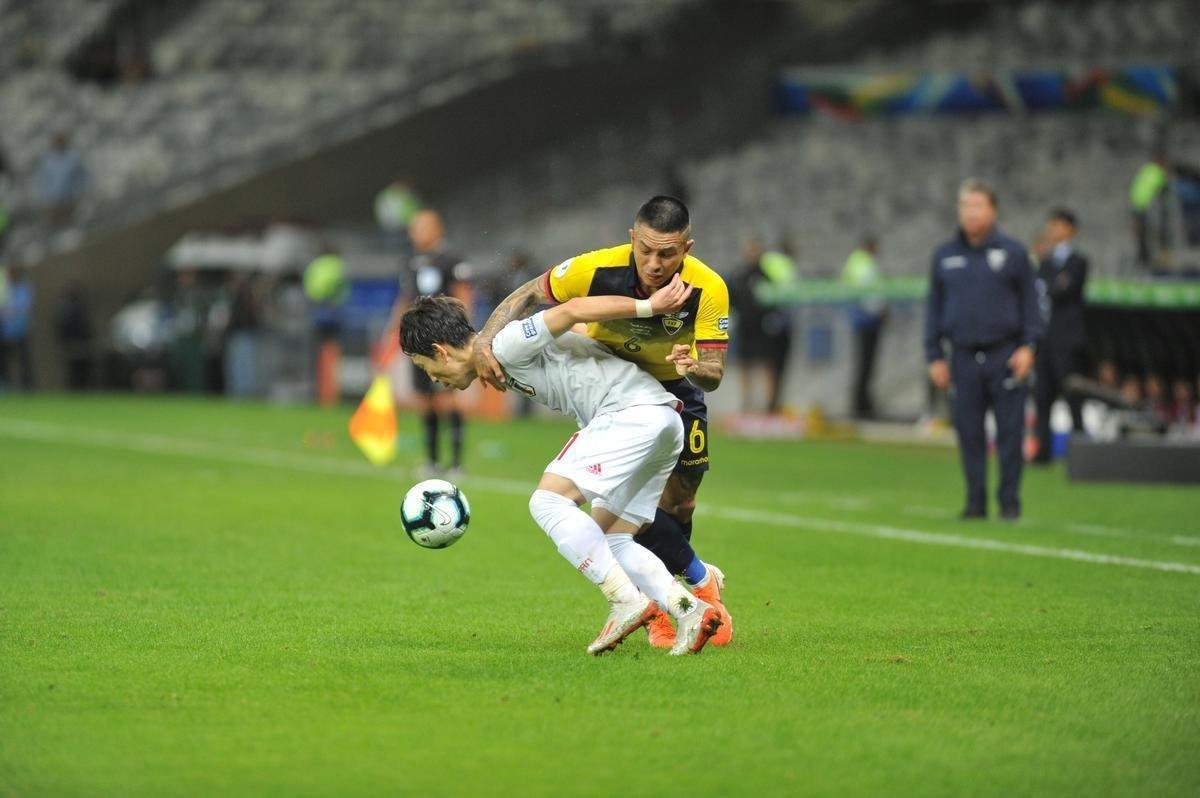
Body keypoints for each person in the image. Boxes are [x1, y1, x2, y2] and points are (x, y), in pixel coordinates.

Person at [399, 281, 723, 656]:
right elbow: (577, 331)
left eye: (426, 368)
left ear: (440, 351)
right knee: (613, 540)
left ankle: (625, 600)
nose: (434, 381)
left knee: (547, 503)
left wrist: (649, 307)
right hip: (663, 421)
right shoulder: (499, 358)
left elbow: (571, 310)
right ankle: (689, 609)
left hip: (629, 414)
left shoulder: (505, 343)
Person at [472, 196, 733, 648]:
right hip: (615, 392)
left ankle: (697, 583)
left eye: (668, 254)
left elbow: (714, 373)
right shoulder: (593, 269)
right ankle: (673, 607)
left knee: (680, 502)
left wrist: (693, 365)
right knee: (623, 517)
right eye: (646, 250)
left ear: (686, 248)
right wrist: (484, 341)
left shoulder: (709, 289)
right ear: (632, 238)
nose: (655, 263)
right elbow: (530, 293)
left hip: (675, 389)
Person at [925, 179, 1041, 521]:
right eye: (965, 207)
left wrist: (1028, 346)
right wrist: (933, 355)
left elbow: (1032, 305)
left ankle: (1009, 502)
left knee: (1009, 434)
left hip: (1004, 356)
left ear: (993, 210)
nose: (971, 213)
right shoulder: (945, 256)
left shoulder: (1014, 253)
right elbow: (934, 308)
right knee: (969, 434)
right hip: (962, 358)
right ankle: (975, 502)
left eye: (978, 206)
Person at [384, 209, 474, 477]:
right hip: (418, 338)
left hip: (444, 337)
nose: (416, 232)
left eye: (422, 227)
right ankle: (432, 461)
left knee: (448, 397)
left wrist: (462, 331)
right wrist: (393, 330)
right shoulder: (410, 260)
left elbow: (463, 294)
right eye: (414, 228)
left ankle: (456, 463)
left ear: (437, 229)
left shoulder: (450, 259)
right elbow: (405, 298)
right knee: (424, 400)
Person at [1033, 208, 1089, 463]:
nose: (1052, 230)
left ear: (1070, 229)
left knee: (1072, 395)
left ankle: (1081, 453)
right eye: (1051, 224)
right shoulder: (1045, 261)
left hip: (1066, 341)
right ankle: (1042, 452)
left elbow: (1059, 290)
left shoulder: (1078, 261)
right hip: (1044, 340)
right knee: (1042, 397)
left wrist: (1052, 284)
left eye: (1058, 225)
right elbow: (1042, 289)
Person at [842, 235, 887, 419]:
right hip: (867, 320)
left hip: (861, 319)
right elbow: (870, 294)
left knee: (863, 363)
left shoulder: (856, 261)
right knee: (865, 364)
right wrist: (881, 311)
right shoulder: (865, 264)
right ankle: (862, 405)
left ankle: (861, 402)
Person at [36, 131, 88, 226]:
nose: (59, 144)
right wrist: (44, 197)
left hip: (69, 199)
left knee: (70, 225)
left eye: (61, 141)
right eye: (57, 142)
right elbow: (43, 180)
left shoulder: (73, 158)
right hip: (52, 201)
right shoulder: (47, 160)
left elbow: (82, 177)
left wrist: (79, 192)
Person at [0, 265, 34, 390]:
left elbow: (23, 307)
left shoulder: (23, 288)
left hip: (21, 331)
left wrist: (8, 311)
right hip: (7, 332)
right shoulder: (6, 290)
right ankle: (6, 386)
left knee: (24, 361)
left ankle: (28, 387)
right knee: (4, 362)